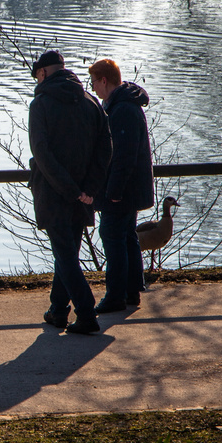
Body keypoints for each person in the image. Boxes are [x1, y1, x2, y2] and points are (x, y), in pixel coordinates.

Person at [28, 49, 110, 335]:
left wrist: (71, 190)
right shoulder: (91, 102)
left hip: (55, 194)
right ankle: (58, 310)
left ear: (43, 73)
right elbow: (105, 149)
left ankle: (86, 313)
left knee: (65, 255)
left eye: (37, 75)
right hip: (83, 196)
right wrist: (89, 189)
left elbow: (41, 154)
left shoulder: (41, 104)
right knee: (66, 252)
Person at [87, 59, 155, 313]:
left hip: (122, 191)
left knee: (112, 236)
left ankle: (116, 295)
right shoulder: (125, 104)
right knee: (127, 237)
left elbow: (122, 155)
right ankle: (131, 291)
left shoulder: (122, 109)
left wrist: (113, 190)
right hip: (131, 189)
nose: (93, 88)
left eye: (94, 82)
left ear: (104, 80)